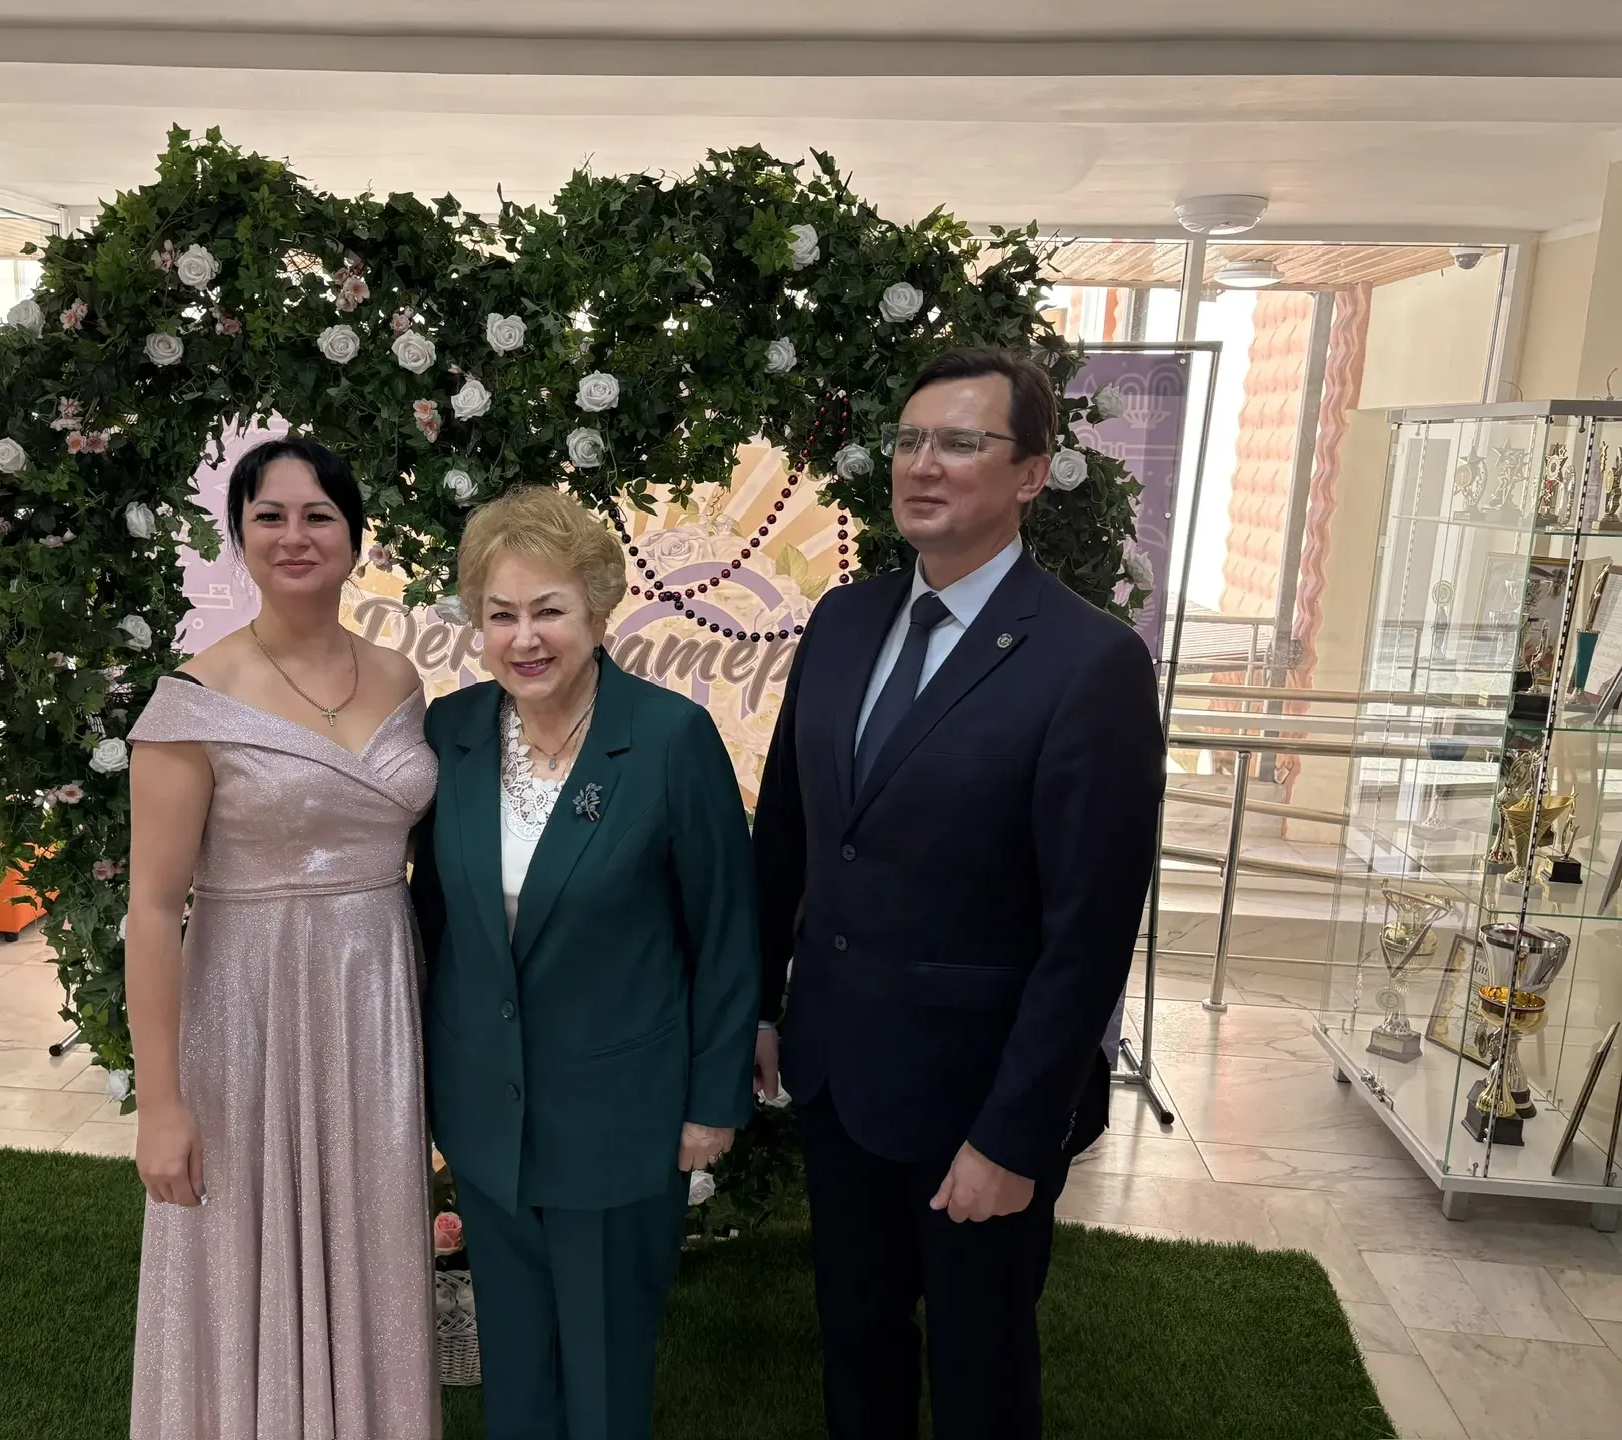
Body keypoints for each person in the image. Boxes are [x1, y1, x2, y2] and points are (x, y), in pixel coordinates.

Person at [752, 348, 1165, 1440]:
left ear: (1031, 473)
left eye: (960, 443)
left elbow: (1090, 931)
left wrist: (1015, 1136)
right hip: (837, 1075)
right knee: (857, 1342)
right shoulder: (843, 621)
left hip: (977, 1099)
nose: (922, 464)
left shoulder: (1089, 662)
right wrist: (759, 1005)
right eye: (908, 440)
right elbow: (788, 831)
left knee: (981, 1369)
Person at [411, 486, 759, 1440]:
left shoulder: (669, 738)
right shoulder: (452, 732)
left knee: (603, 1384)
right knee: (516, 1372)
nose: (525, 638)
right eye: (501, 614)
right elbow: (434, 920)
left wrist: (712, 1103)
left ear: (598, 609)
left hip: (618, 1122)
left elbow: (726, 930)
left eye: (549, 610)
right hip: (486, 1123)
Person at [124, 436, 439, 1439]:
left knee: (372, 1241)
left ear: (354, 537)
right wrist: (161, 1103)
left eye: (317, 516)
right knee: (242, 1244)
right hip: (246, 1015)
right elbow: (150, 909)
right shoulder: (194, 700)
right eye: (269, 516)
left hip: (374, 1005)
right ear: (240, 537)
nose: (294, 536)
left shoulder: (399, 677)